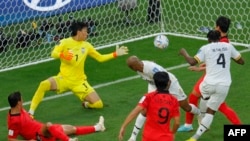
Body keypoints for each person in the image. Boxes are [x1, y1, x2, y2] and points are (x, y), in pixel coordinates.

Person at [28, 21, 129, 116]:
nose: (87, 34)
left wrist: (115, 54)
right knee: (43, 84)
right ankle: (31, 113)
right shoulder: (64, 42)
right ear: (78, 32)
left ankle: (85, 104)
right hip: (63, 79)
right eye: (85, 31)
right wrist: (63, 55)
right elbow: (53, 53)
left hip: (79, 82)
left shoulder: (87, 46)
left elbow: (100, 58)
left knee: (98, 104)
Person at [177, 16, 242, 132]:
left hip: (212, 77)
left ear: (217, 27)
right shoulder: (226, 41)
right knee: (194, 97)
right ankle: (190, 124)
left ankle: (199, 124)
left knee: (220, 105)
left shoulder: (220, 42)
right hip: (215, 76)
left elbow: (217, 60)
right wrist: (204, 66)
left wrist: (199, 68)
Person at [126, 55, 200, 141]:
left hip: (170, 84)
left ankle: (200, 113)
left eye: (140, 63)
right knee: (145, 110)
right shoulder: (138, 69)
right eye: (137, 65)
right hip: (154, 85)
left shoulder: (151, 68)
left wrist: (165, 94)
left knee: (186, 107)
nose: (140, 65)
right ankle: (133, 137)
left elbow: (165, 79)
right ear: (133, 68)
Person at [7, 91, 105, 141]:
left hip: (41, 130)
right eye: (22, 99)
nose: (23, 101)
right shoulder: (14, 121)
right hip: (39, 135)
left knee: (72, 128)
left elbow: (26, 122)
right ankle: (68, 140)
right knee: (49, 125)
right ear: (18, 103)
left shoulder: (19, 109)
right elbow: (10, 139)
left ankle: (98, 127)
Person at [119, 71, 180, 141]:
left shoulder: (148, 97)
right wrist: (173, 133)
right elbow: (177, 122)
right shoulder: (174, 100)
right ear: (169, 82)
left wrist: (123, 126)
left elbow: (135, 112)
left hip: (149, 136)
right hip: (165, 138)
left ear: (155, 83)